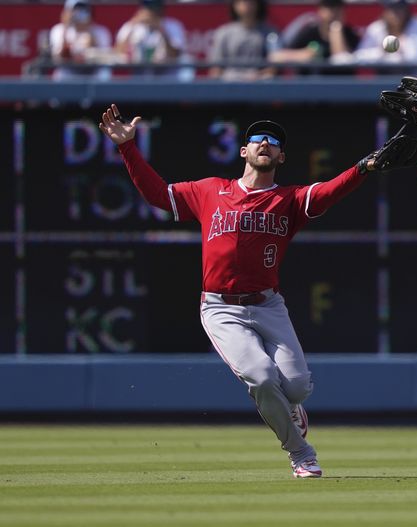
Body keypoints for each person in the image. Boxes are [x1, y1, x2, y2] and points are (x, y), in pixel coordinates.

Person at [97, 103, 387, 478]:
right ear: (243, 151)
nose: (265, 142)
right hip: (221, 309)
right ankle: (300, 453)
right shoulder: (209, 191)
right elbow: (157, 194)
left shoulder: (290, 200)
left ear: (282, 155)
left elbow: (331, 191)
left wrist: (364, 167)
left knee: (296, 387)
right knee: (264, 378)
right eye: (257, 138)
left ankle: (289, 409)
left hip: (268, 304)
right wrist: (127, 148)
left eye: (273, 141)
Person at [272, 0, 359, 67]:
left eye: (338, 8)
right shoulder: (309, 32)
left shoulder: (350, 34)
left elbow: (342, 59)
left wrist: (336, 31)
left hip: (342, 87)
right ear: (320, 10)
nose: (334, 12)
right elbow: (278, 56)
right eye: (329, 7)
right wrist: (303, 54)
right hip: (309, 86)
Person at [115, 0, 189, 78]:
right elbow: (119, 51)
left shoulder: (173, 25)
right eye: (147, 8)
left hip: (166, 75)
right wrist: (133, 25)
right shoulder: (131, 25)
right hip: (138, 74)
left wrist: (160, 29)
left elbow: (174, 54)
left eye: (154, 9)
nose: (150, 13)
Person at [208, 0, 280, 81]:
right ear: (234, 5)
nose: (246, 5)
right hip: (229, 84)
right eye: (242, 2)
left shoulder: (271, 33)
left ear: (258, 5)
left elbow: (275, 64)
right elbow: (216, 68)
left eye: (250, 2)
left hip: (259, 85)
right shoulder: (223, 33)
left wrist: (259, 76)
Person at [48, 0, 112, 80]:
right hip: (69, 73)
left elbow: (104, 58)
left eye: (83, 10)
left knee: (104, 73)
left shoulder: (101, 31)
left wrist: (88, 31)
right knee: (61, 73)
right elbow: (59, 56)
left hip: (93, 73)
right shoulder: (59, 30)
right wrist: (66, 27)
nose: (78, 14)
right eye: (75, 11)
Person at [354, 0, 417, 65]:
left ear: (406, 10)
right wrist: (381, 51)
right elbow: (360, 56)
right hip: (383, 77)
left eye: (400, 8)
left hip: (411, 77)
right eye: (392, 9)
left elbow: (415, 59)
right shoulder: (376, 28)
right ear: (385, 11)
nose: (396, 14)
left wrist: (398, 51)